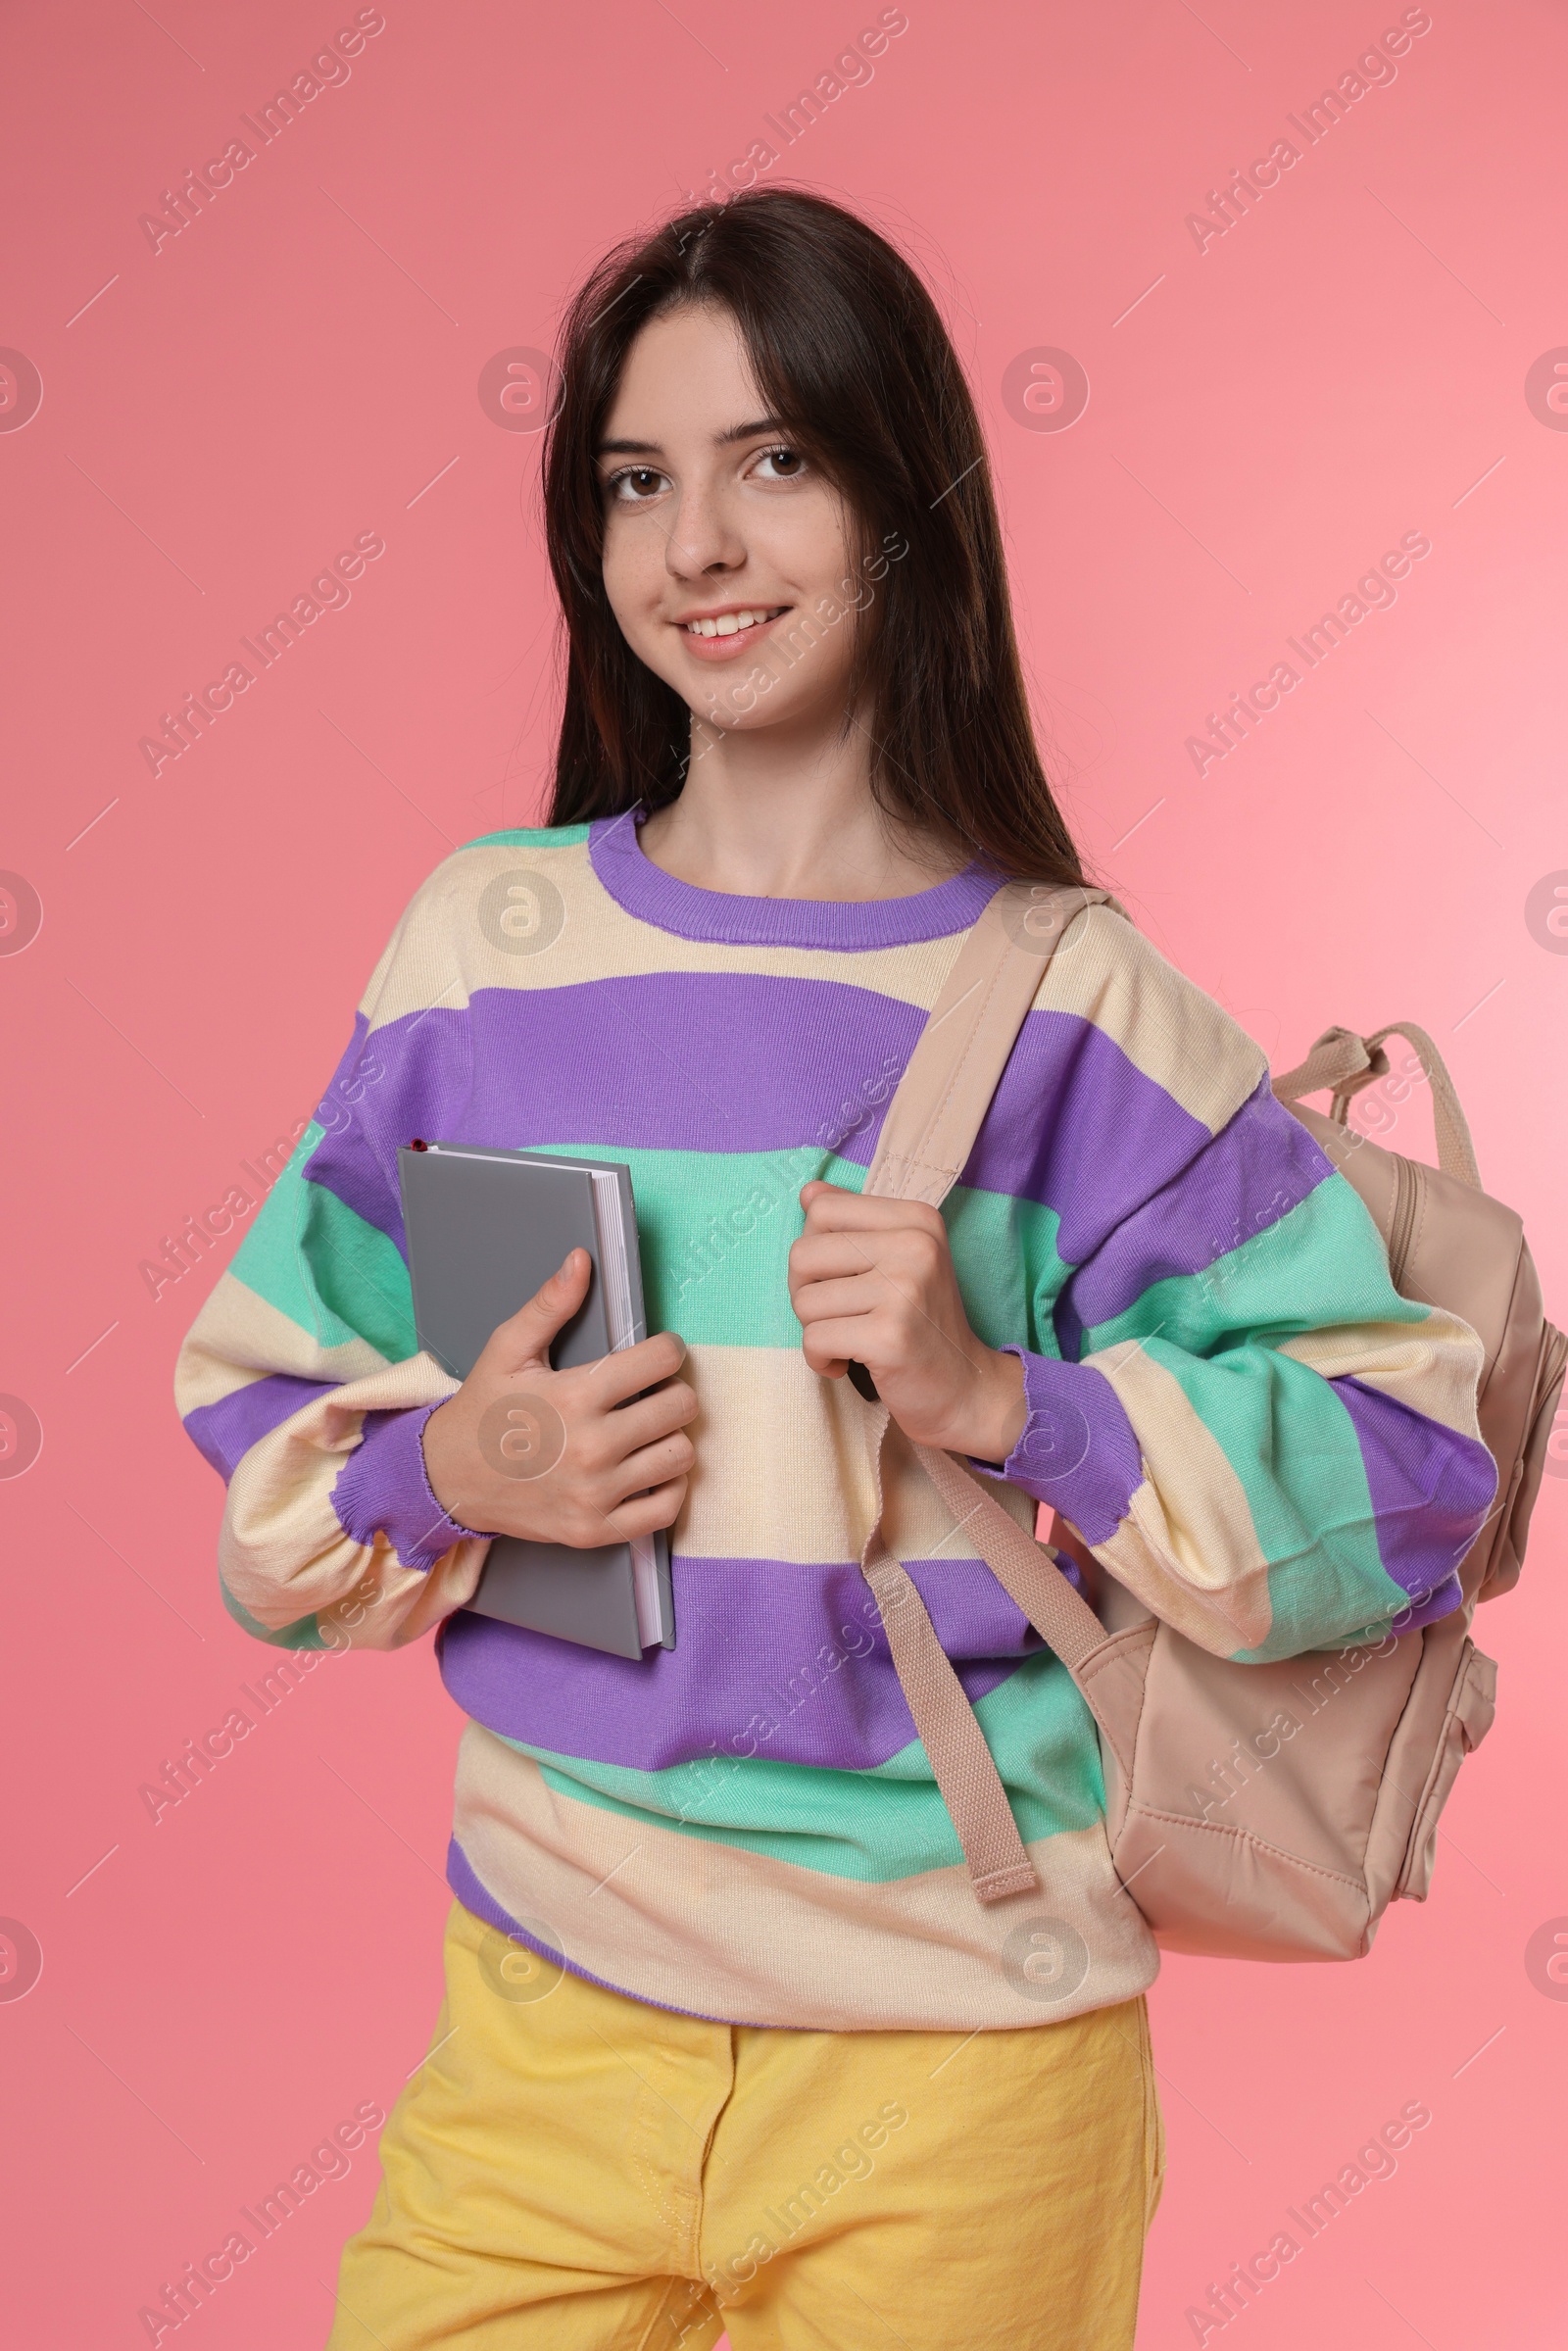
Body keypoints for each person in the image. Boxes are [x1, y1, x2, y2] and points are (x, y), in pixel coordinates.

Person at [174, 187, 1496, 2351]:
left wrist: (1015, 1405)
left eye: (772, 459)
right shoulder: (480, 952)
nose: (694, 541)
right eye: (635, 480)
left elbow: (1414, 1463)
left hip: (963, 2071)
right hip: (537, 2024)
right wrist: (446, 1473)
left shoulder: (1079, 1004)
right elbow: (265, 1492)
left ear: (904, 502)